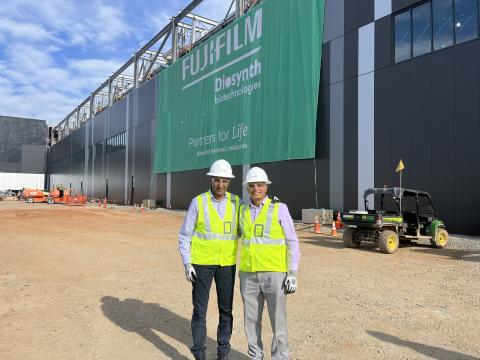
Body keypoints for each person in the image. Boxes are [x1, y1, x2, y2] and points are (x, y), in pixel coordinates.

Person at [179, 159, 241, 360]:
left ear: (229, 182)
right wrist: (187, 263)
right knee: (200, 311)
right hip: (201, 264)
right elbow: (185, 235)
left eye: (224, 181)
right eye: (217, 180)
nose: (220, 185)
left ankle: (223, 353)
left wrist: (273, 203)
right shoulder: (198, 202)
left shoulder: (237, 202)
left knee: (226, 311)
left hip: (227, 265)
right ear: (211, 180)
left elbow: (250, 223)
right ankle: (199, 354)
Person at [238, 167, 300, 360]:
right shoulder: (242, 211)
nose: (256, 188)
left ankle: (280, 357)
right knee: (250, 321)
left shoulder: (279, 208)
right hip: (248, 274)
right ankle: (255, 356)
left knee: (278, 322)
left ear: (266, 187)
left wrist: (292, 273)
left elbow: (292, 242)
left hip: (275, 274)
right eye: (252, 185)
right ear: (248, 188)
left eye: (260, 185)